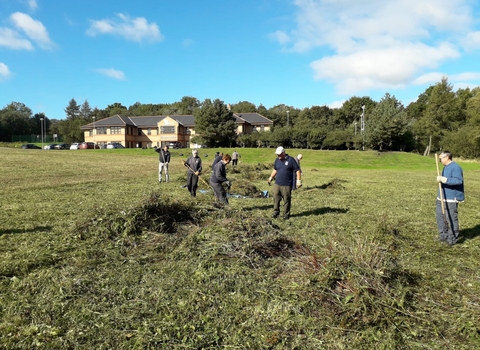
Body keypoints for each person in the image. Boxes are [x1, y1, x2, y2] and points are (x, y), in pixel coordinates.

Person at [436, 151, 464, 245]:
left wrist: (445, 180)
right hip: (442, 197)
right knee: (441, 217)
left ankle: (452, 238)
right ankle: (443, 235)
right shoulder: (445, 168)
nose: (440, 160)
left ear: (447, 157)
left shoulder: (456, 167)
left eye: (441, 159)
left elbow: (458, 181)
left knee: (451, 218)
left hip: (451, 198)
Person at [268, 146, 301, 220]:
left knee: (286, 199)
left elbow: (297, 170)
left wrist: (299, 180)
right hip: (277, 183)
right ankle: (276, 212)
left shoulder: (291, 160)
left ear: (283, 153)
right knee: (276, 197)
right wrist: (271, 177)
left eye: (279, 154)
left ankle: (286, 214)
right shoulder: (277, 160)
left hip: (286, 184)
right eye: (277, 154)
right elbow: (275, 170)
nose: (278, 156)